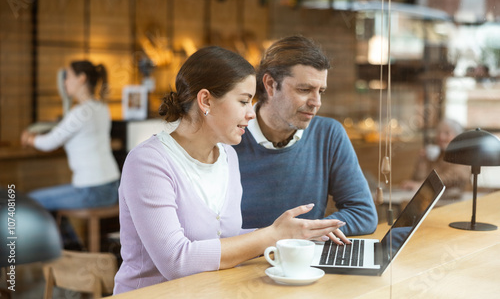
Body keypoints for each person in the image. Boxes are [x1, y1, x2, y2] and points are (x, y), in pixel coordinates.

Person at [113, 46, 349, 294]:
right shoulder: (148, 162)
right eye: (244, 101)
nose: (250, 113)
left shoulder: (227, 156)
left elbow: (229, 238)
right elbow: (176, 261)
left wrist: (293, 234)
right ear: (205, 100)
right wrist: (271, 235)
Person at [233, 35, 378, 235]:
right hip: (243, 262)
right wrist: (280, 236)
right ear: (270, 85)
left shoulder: (328, 134)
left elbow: (363, 214)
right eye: (304, 89)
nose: (316, 102)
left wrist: (304, 232)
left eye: (321, 91)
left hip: (304, 261)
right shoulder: (229, 137)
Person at [20, 61, 120, 246]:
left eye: (68, 76)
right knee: (53, 205)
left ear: (81, 79)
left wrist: (29, 139)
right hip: (113, 187)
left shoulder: (79, 113)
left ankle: (66, 252)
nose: (64, 82)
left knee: (31, 200)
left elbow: (49, 143)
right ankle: (73, 248)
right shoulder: (101, 108)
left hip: (92, 191)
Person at [400, 118, 471, 200]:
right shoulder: (438, 156)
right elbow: (419, 179)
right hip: (434, 201)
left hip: (454, 203)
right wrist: (422, 162)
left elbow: (452, 177)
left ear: (458, 137)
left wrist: (423, 185)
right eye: (438, 133)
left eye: (447, 133)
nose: (441, 137)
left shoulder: (461, 156)